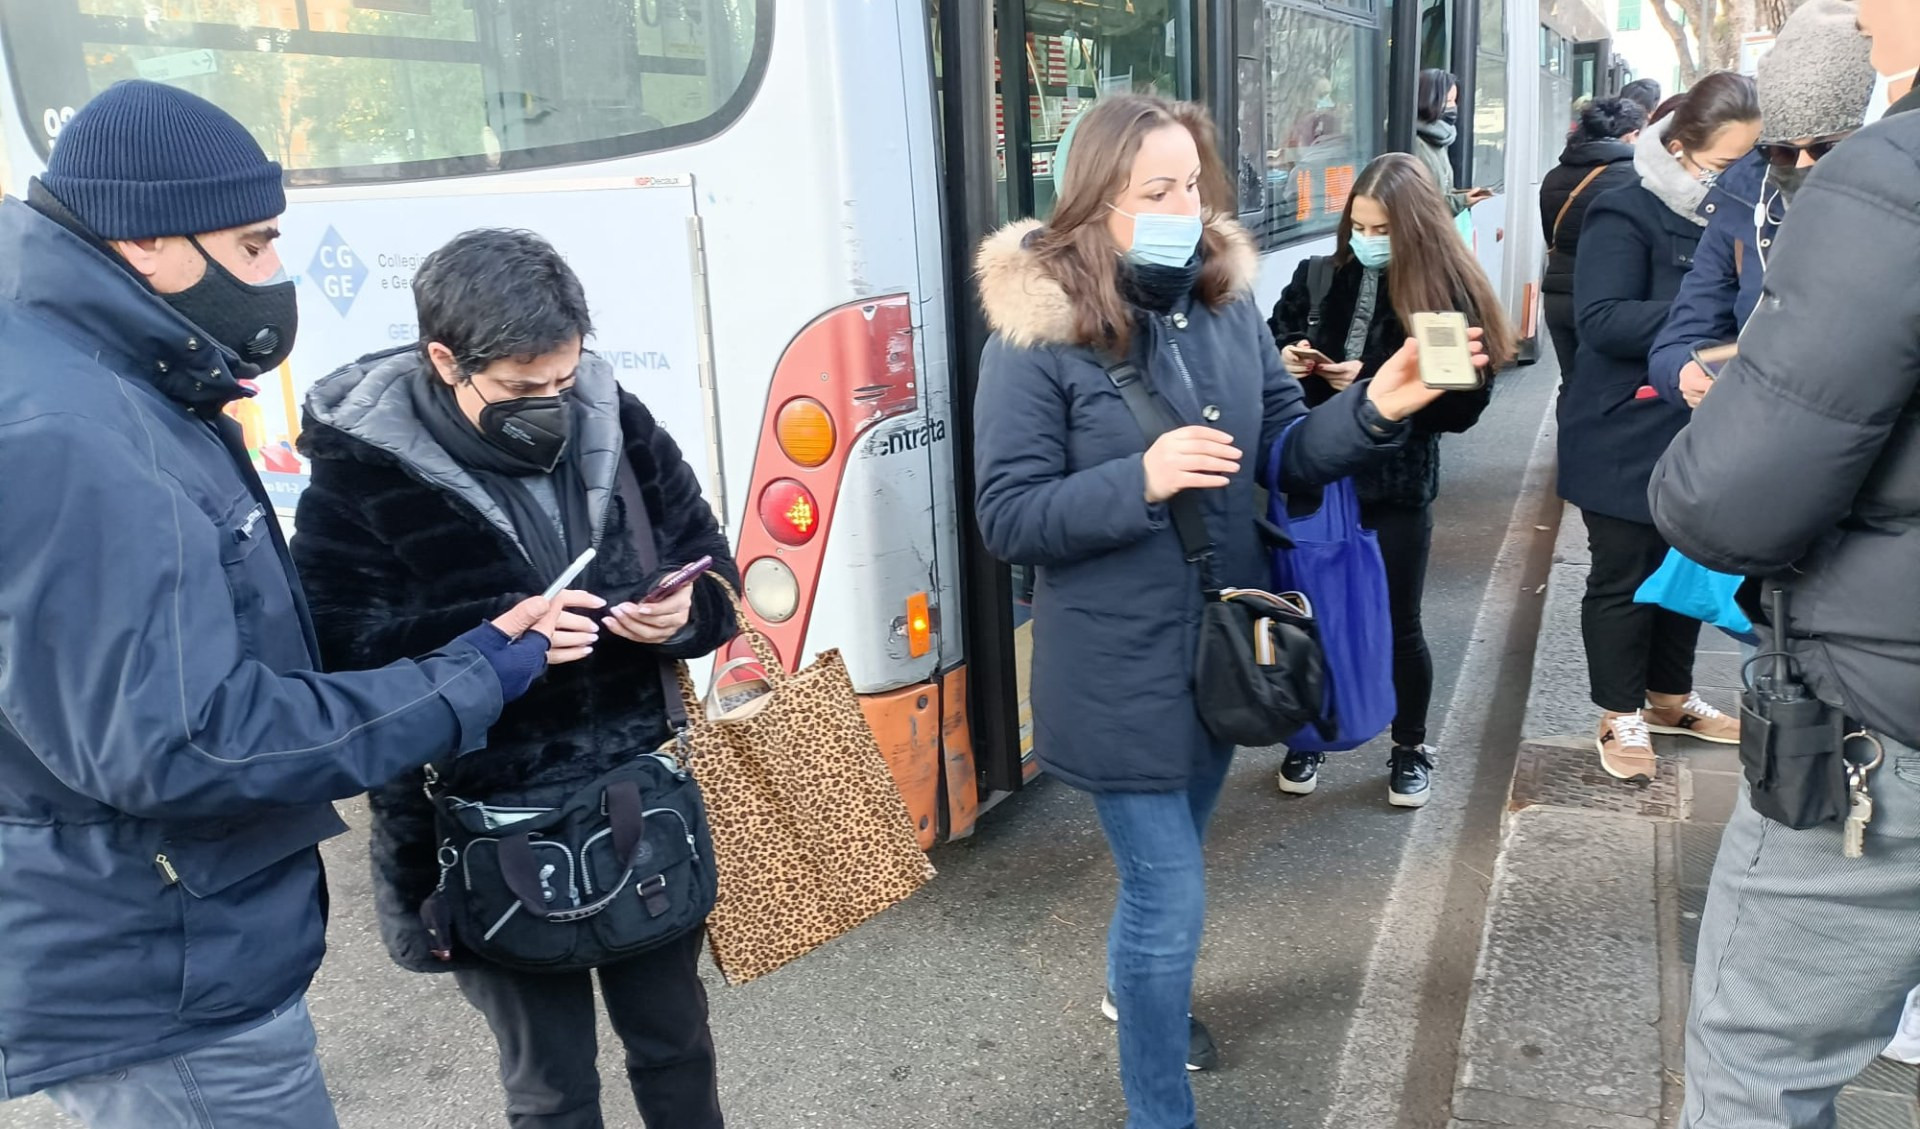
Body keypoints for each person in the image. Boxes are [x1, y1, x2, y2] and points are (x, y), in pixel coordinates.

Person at [0, 81, 562, 1128]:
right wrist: (471, 675)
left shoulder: (107, 373)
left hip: (162, 935)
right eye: (255, 244)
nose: (277, 274)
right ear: (147, 243)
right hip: (164, 980)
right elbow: (188, 740)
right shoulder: (73, 432)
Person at [971, 93, 1487, 1129]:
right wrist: (1144, 478)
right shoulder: (1035, 339)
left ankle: (1141, 992)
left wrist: (1378, 406)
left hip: (1222, 655)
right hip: (1115, 669)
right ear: (1090, 205)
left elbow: (1290, 453)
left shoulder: (1222, 306)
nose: (1185, 205)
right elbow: (1008, 517)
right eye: (1155, 189)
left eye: (1194, 183)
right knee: (1170, 893)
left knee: (1172, 880)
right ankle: (1159, 1107)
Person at [292, 228, 739, 1129]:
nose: (551, 403)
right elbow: (337, 656)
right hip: (485, 830)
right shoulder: (359, 477)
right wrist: (490, 638)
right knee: (551, 1088)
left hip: (638, 803)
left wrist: (685, 617)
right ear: (444, 360)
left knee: (677, 1047)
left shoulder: (620, 420)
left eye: (564, 382)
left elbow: (711, 570)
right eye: (521, 389)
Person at [1649, 3, 1920, 1122]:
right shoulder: (1742, 209)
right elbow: (1672, 326)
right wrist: (1695, 374)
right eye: (1782, 152)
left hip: (1882, 715)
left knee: (1754, 1063)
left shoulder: (1886, 183)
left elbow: (1727, 501)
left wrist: (1741, 414)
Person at [1267, 152, 1515, 807]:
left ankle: (1409, 748)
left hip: (1395, 486)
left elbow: (1460, 412)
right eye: (1361, 227)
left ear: (1418, 227)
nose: (1368, 241)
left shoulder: (1440, 300)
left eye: (1383, 230)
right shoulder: (1318, 276)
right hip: (1316, 483)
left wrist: (1380, 387)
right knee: (1310, 615)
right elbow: (1272, 341)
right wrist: (1290, 355)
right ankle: (1310, 732)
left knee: (1398, 623)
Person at [1556, 72, 1759, 782]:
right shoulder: (1626, 208)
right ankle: (1620, 711)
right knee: (1623, 571)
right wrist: (1712, 323)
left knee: (1686, 560)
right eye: (1728, 164)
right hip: (1621, 425)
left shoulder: (1745, 216)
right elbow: (1601, 320)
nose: (1746, 176)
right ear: (1680, 149)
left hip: (1696, 425)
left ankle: (1671, 698)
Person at [1649, 0, 1875, 411]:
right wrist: (1685, 370)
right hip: (1756, 438)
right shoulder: (1741, 202)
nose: (1804, 166)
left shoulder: (1895, 216)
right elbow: (1683, 332)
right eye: (1781, 152)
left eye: (1827, 148)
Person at [1540, 96, 1649, 376]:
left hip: (1558, 294)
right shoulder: (1637, 177)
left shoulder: (1554, 176)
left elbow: (1551, 236)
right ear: (1633, 134)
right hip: (1607, 300)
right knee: (1603, 388)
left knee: (1571, 384)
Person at [1413, 69, 1493, 228]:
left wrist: (1464, 196)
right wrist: (1461, 201)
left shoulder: (1437, 140)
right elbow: (1420, 204)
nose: (1454, 107)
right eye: (1448, 101)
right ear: (1429, 101)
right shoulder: (1415, 144)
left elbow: (1441, 190)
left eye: (1455, 101)